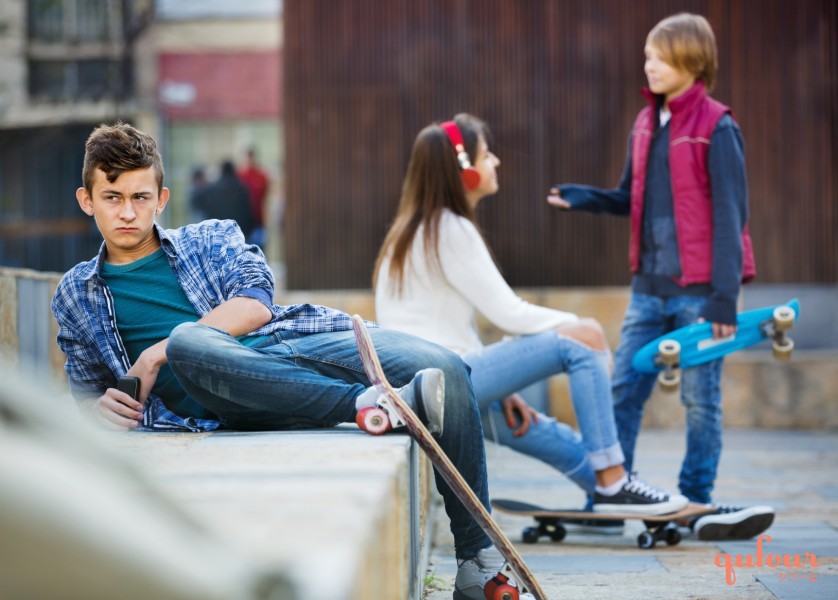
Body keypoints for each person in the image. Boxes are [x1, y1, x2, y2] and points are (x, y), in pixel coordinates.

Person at [50, 122, 534, 600]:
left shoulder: (211, 237)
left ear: (162, 198)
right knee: (189, 345)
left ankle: (480, 565)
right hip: (218, 402)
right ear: (86, 200)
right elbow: (86, 395)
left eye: (140, 197)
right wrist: (97, 410)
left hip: (290, 345)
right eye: (113, 197)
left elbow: (257, 302)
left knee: (448, 368)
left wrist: (154, 355)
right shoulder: (76, 292)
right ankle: (371, 405)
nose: (128, 212)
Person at [374, 113, 690, 528]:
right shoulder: (447, 228)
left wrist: (497, 385)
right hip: (441, 385)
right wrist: (580, 327)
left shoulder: (412, 230)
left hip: (425, 386)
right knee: (581, 339)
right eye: (487, 155)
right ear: (464, 169)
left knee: (532, 426)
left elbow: (442, 331)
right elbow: (509, 313)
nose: (497, 162)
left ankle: (606, 495)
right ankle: (613, 481)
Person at [547, 13, 774, 540]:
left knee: (701, 399)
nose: (647, 64)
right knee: (622, 389)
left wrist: (725, 297)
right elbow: (632, 198)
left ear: (691, 61)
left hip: (700, 296)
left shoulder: (718, 126)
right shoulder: (646, 123)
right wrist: (587, 198)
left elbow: (730, 217)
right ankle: (608, 491)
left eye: (657, 56)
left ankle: (695, 499)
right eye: (647, 55)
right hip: (648, 290)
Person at [193, 159, 256, 240]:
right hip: (239, 234)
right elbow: (249, 212)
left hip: (219, 235)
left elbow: (196, 202)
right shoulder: (242, 188)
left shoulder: (213, 189)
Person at [238, 147, 270, 246]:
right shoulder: (241, 175)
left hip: (258, 220)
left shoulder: (261, 176)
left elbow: (264, 196)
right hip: (244, 221)